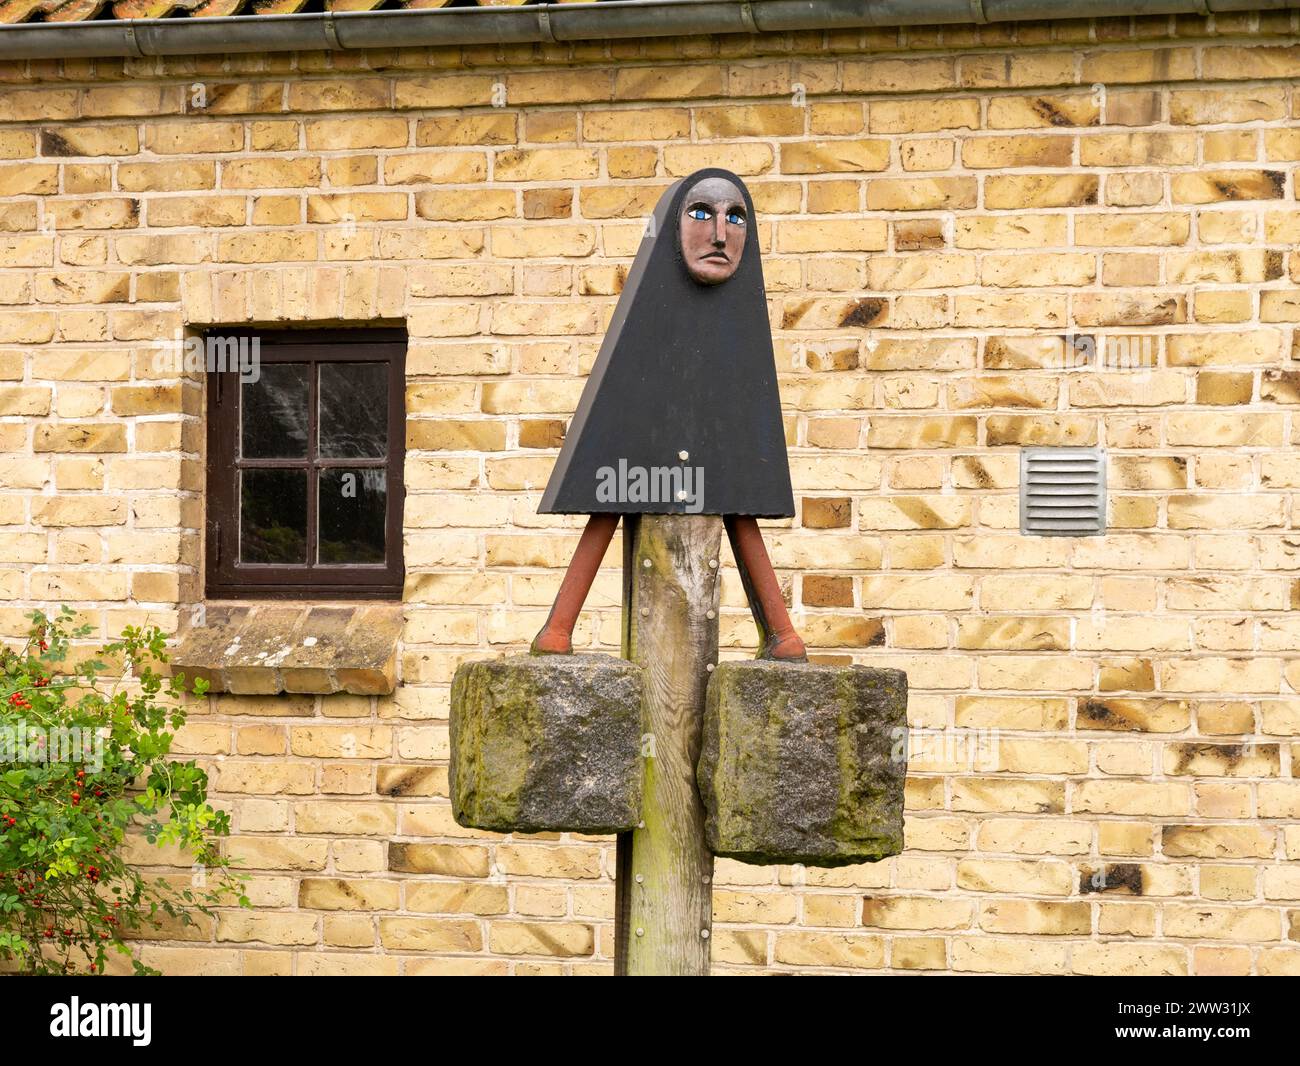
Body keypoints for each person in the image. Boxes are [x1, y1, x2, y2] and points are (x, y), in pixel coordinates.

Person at [530, 167, 806, 662]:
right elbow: (610, 464)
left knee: (735, 487)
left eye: (736, 218)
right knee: (615, 488)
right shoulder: (645, 334)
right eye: (701, 214)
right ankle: (558, 626)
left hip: (716, 446)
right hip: (644, 447)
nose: (720, 233)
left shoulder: (738, 338)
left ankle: (782, 632)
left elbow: (742, 468)